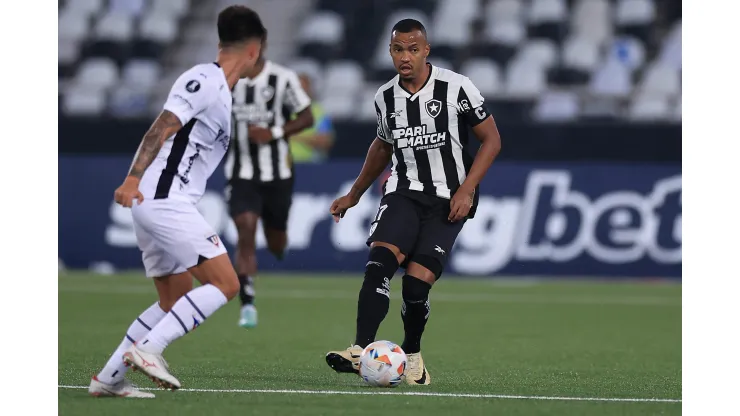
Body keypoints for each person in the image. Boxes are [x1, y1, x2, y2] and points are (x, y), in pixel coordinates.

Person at [88, 5, 267, 398]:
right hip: (163, 199)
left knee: (176, 300)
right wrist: (132, 177)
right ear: (254, 49)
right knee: (226, 283)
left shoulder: (222, 91)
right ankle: (150, 349)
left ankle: (108, 378)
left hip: (158, 201)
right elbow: (162, 125)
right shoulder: (203, 79)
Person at [324, 19, 502, 386]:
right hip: (403, 191)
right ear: (390, 52)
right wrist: (354, 194)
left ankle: (412, 351)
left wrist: (467, 189)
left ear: (426, 50)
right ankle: (359, 349)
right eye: (398, 49)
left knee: (416, 286)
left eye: (413, 49)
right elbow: (382, 146)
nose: (405, 57)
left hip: (449, 198)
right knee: (379, 264)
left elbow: (492, 140)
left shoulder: (456, 87)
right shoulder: (384, 97)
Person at [225, 43, 314, 329]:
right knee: (246, 228)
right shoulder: (226, 80)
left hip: (278, 175)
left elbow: (307, 117)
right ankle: (248, 304)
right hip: (241, 174)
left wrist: (274, 132)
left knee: (276, 240)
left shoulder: (283, 78)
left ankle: (278, 245)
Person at [289, 74, 335, 163]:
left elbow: (325, 142)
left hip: (310, 165)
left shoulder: (319, 112)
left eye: (303, 88)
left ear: (309, 90)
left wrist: (295, 137)